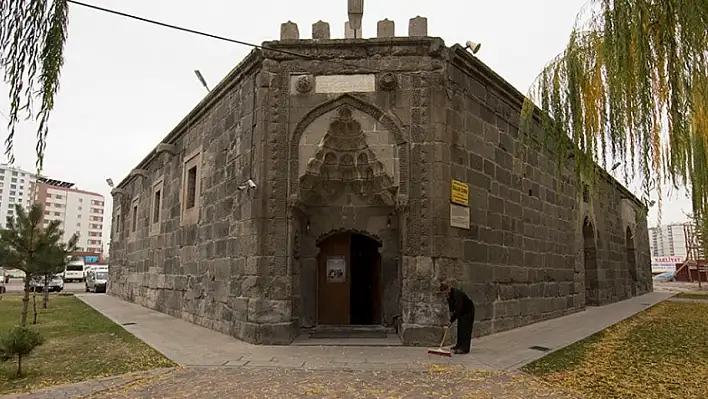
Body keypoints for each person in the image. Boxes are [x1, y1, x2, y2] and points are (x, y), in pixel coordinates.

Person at [439, 281, 475, 354]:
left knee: (465, 329)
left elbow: (458, 309)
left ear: (448, 289)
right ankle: (459, 345)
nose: (445, 295)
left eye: (445, 292)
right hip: (461, 311)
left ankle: (464, 348)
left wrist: (451, 320)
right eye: (443, 294)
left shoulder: (456, 294)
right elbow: (451, 307)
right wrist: (451, 314)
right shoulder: (448, 295)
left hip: (468, 310)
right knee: (460, 327)